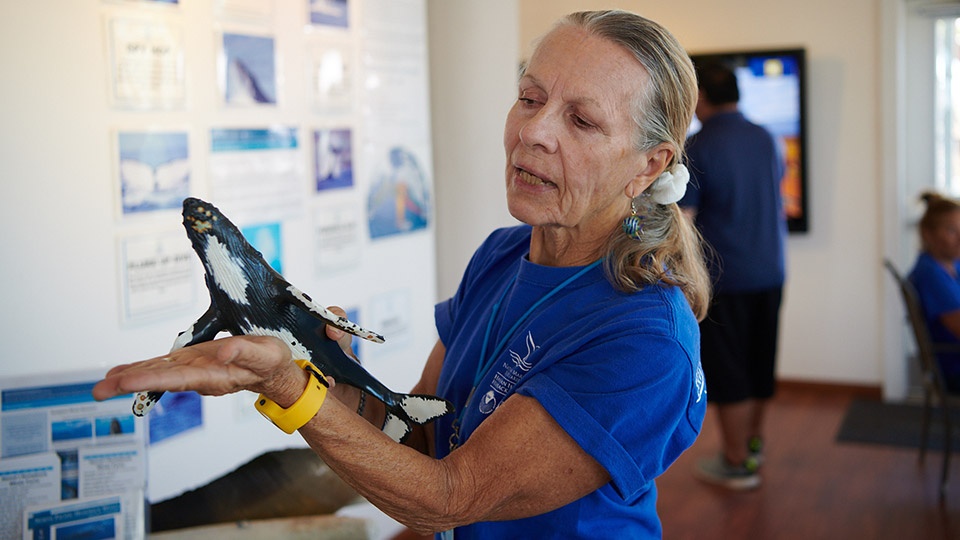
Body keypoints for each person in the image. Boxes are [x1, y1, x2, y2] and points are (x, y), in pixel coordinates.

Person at [93, 10, 711, 538]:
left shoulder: (647, 342)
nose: (533, 132)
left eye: (581, 121)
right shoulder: (502, 255)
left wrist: (290, 391)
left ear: (648, 165)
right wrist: (307, 367)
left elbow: (450, 494)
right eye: (529, 98)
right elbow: (417, 439)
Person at [678, 62, 787, 490]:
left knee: (728, 368)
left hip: (724, 276)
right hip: (771, 269)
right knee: (761, 362)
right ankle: (754, 445)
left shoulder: (699, 145)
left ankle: (736, 460)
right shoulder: (766, 137)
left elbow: (683, 220)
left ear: (700, 96)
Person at [909, 191, 960, 393]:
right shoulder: (930, 274)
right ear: (927, 234)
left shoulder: (950, 263)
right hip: (954, 370)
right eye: (952, 231)